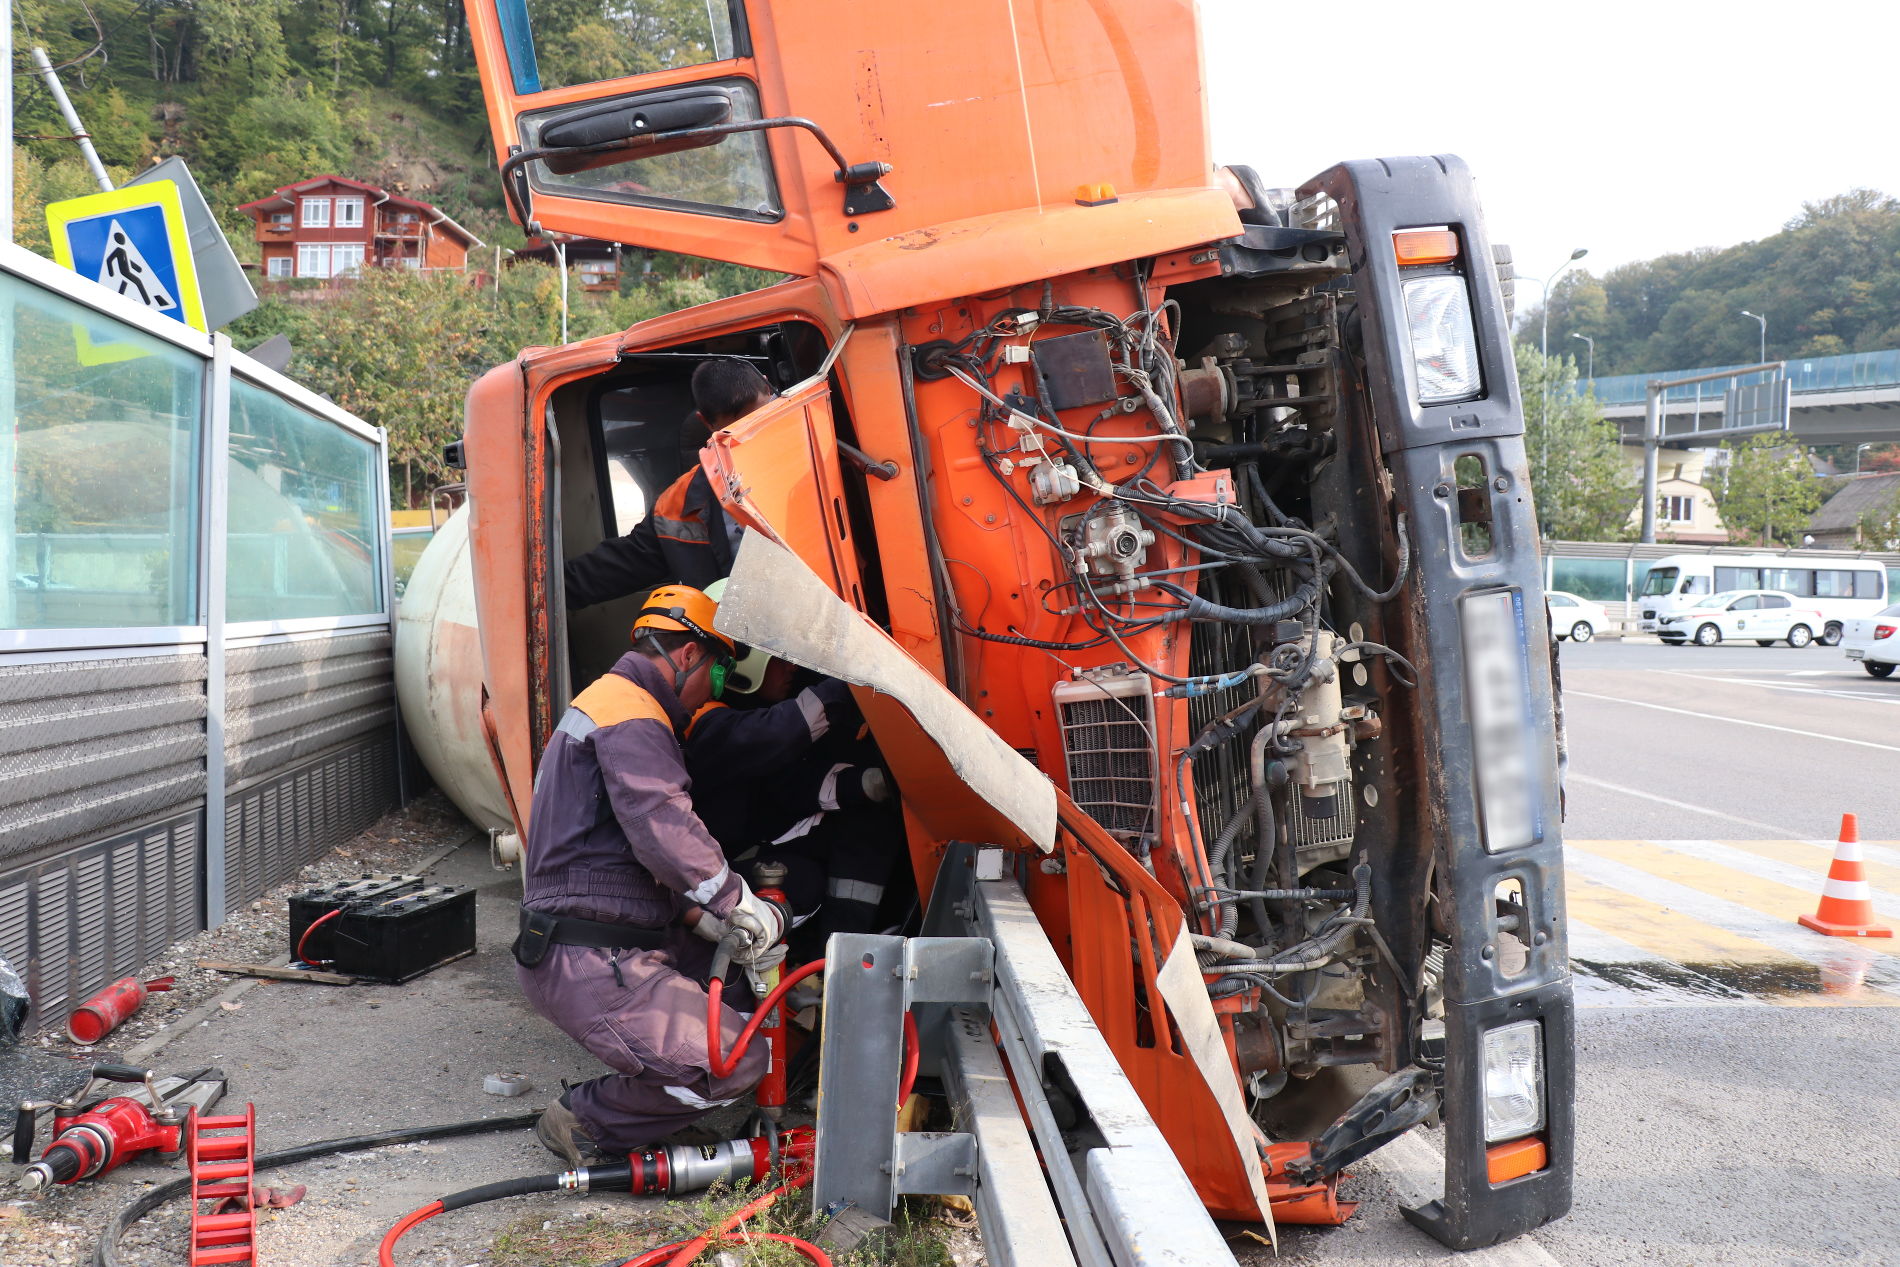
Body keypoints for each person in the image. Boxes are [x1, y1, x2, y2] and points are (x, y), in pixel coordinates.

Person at [514, 584, 788, 1163]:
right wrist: (734, 902)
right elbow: (659, 821)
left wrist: (695, 915)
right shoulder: (630, 713)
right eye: (719, 674)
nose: (716, 692)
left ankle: (655, 1106)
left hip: (615, 938)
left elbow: (613, 849)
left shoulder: (616, 704)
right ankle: (586, 1121)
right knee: (732, 1061)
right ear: (688, 653)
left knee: (746, 998)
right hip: (589, 955)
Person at [564, 359, 776, 608]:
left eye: (762, 417)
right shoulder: (675, 506)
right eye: (736, 431)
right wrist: (537, 594)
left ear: (769, 388)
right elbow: (618, 565)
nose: (753, 437)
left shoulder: (824, 450)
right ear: (706, 424)